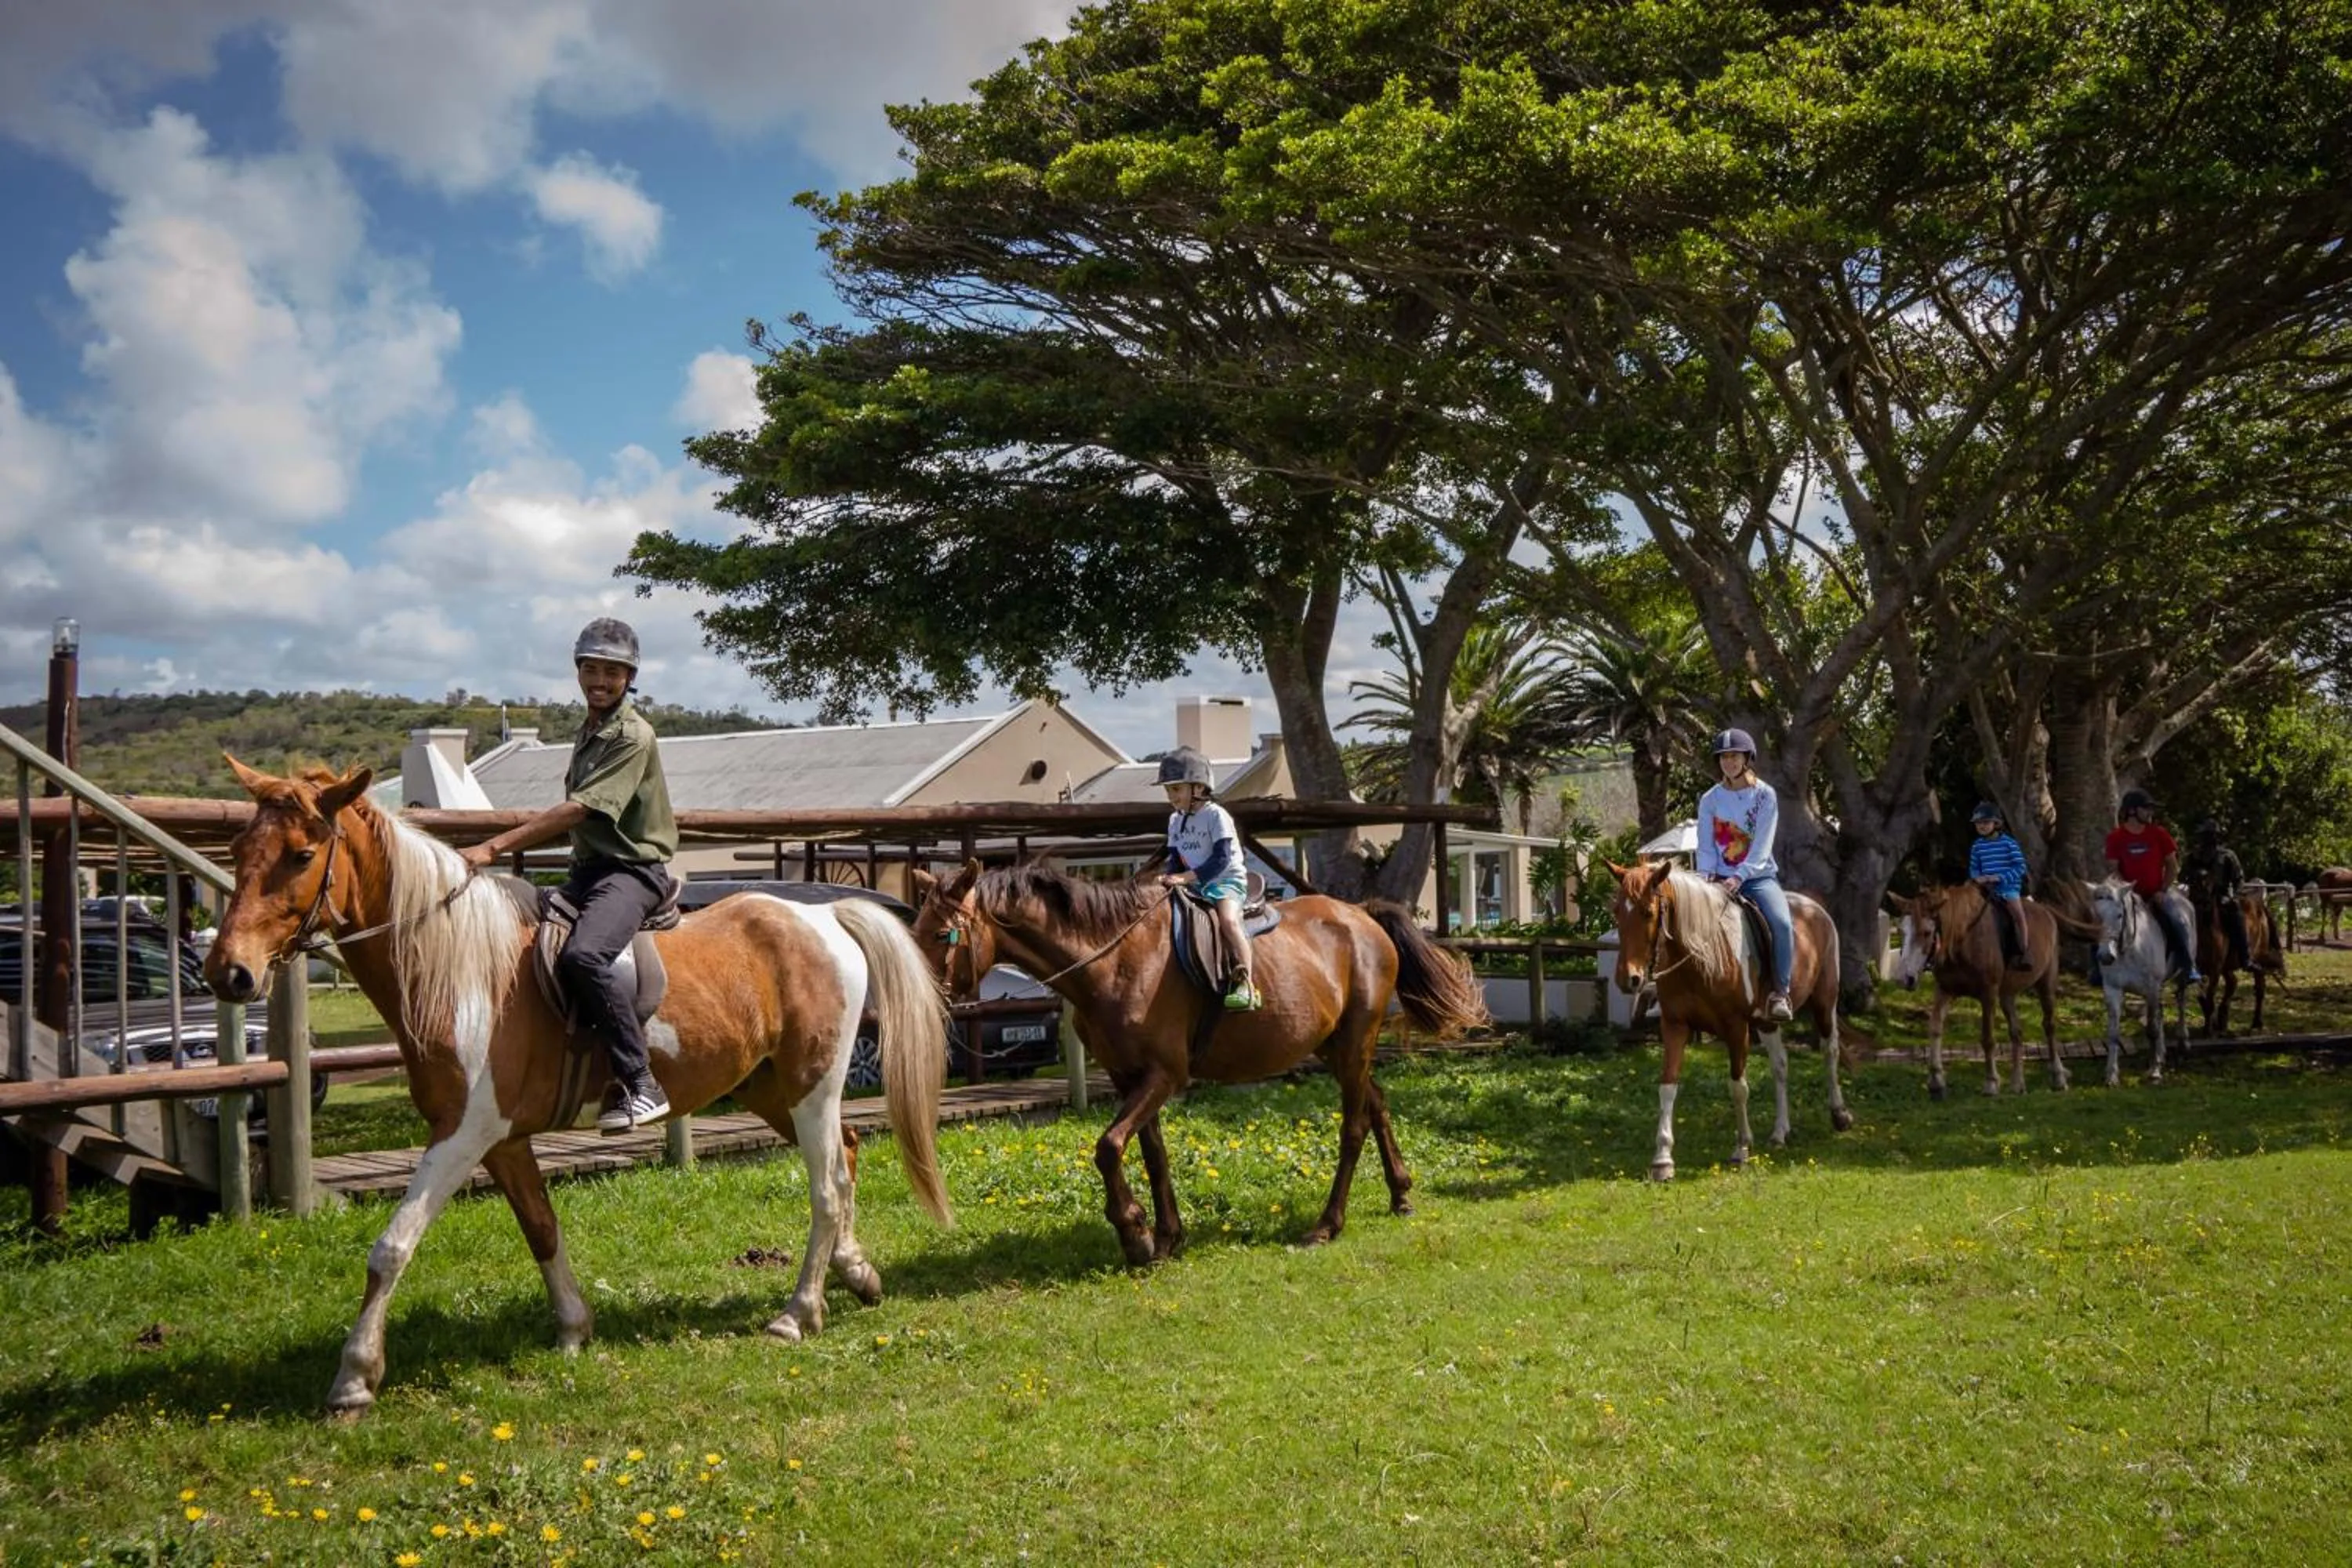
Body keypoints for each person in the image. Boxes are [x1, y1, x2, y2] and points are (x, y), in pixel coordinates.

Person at [459, 618, 680, 1133]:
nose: (599, 681)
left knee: (584, 955)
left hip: (631, 872)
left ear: (629, 678)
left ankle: (642, 1082)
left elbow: (580, 810)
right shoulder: (589, 732)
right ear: (579, 672)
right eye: (591, 670)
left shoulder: (632, 735)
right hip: (587, 871)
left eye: (611, 672)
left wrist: (493, 846)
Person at [1696, 728, 1795, 1021]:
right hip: (1717, 879)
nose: (1729, 763)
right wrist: (1705, 877)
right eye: (1724, 758)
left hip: (1757, 878)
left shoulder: (1765, 796)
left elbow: (1762, 846)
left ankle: (1780, 992)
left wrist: (1739, 877)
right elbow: (1706, 845)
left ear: (1747, 758)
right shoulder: (1710, 799)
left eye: (1734, 757)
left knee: (1782, 923)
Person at [1156, 746, 1258, 1010]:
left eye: (1176, 789)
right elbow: (1175, 858)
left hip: (1226, 881)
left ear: (1199, 788)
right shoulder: (1174, 820)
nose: (1171, 796)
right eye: (1168, 790)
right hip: (1195, 883)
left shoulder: (1216, 815)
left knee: (1228, 921)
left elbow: (1221, 859)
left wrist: (1185, 877)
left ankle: (1247, 984)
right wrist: (1169, 877)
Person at [2103, 787, 2200, 983]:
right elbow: (2114, 869)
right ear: (2131, 811)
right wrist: (2127, 891)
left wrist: (2162, 891)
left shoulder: (2159, 834)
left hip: (2158, 893)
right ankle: (2097, 970)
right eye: (2146, 808)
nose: (2150, 813)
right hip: (2128, 895)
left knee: (2178, 920)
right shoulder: (2116, 838)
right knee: (2102, 918)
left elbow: (2173, 866)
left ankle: (2188, 966)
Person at [1966, 800, 2033, 971]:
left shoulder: (2009, 843)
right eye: (1978, 824)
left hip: (2007, 888)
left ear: (1996, 824)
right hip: (1985, 888)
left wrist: (2000, 877)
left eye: (1985, 823)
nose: (1981, 826)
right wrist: (1977, 878)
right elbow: (1974, 867)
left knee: (2018, 916)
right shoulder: (1977, 846)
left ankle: (2025, 952)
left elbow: (2020, 867)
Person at [2183, 816, 2252, 972]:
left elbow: (2239, 879)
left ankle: (2245, 956)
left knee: (2237, 918)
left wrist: (2234, 896)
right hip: (2197, 897)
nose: (2207, 839)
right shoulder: (2193, 856)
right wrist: (2195, 875)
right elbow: (2182, 876)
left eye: (2211, 835)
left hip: (2221, 897)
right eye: (2205, 835)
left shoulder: (2227, 855)